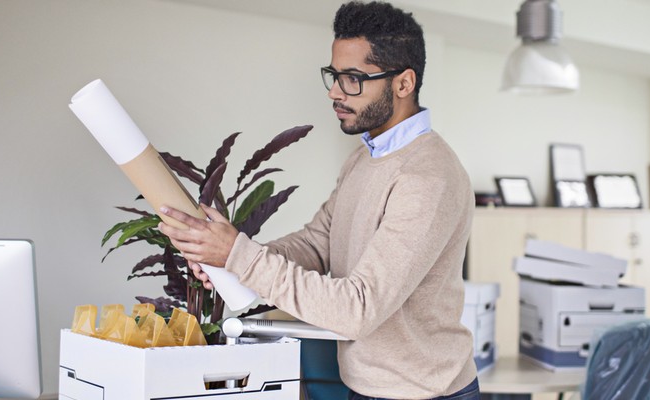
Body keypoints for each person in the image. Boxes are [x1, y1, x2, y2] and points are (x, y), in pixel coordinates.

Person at [158, 2, 480, 399]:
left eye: (352, 79)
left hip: (426, 393)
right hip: (368, 387)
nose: (334, 92)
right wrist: (229, 259)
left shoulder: (428, 177)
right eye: (334, 75)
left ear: (403, 83)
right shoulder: (364, 158)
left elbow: (357, 309)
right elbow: (317, 243)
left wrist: (239, 256)